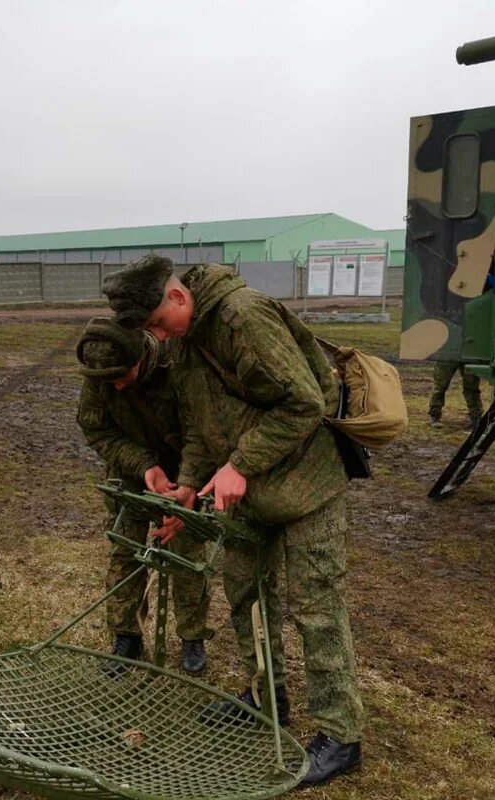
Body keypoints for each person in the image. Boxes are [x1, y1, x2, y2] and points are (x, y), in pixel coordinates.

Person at [103, 255, 364, 787]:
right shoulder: (184, 341)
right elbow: (199, 426)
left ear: (177, 298)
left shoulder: (244, 316)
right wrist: (188, 486)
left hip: (305, 486)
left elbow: (304, 402)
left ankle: (341, 736)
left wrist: (241, 464)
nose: (157, 335)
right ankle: (266, 697)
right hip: (244, 494)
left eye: (156, 322)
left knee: (316, 606)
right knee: (244, 590)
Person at [75, 317, 213, 676]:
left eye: (124, 375)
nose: (117, 386)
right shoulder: (100, 376)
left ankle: (192, 636)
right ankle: (127, 636)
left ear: (142, 357)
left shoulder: (179, 366)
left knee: (188, 555)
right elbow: (97, 429)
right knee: (125, 551)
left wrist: (187, 486)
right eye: (108, 380)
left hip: (188, 469)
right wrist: (145, 467)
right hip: (132, 473)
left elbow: (203, 431)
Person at [428, 361, 482, 429]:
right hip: (448, 355)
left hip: (468, 354)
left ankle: (476, 417)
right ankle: (434, 415)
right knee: (440, 386)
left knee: (472, 387)